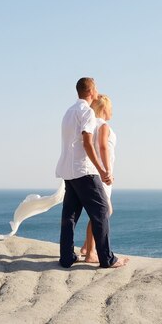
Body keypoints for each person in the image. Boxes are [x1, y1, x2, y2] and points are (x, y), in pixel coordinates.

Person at [55, 77, 128, 268]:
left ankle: (66, 257)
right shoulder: (86, 112)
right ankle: (107, 259)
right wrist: (102, 169)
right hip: (84, 170)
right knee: (102, 210)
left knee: (69, 216)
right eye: (96, 89)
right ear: (91, 91)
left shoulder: (68, 112)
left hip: (67, 171)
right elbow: (87, 142)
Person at [80, 94, 116, 262]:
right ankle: (90, 252)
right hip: (101, 174)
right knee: (103, 212)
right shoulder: (103, 125)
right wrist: (107, 171)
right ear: (104, 108)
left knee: (102, 212)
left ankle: (87, 247)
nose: (112, 112)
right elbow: (103, 148)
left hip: (94, 171)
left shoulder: (91, 125)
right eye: (111, 108)